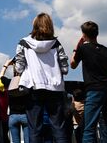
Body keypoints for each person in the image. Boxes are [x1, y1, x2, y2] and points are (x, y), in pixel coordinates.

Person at [13, 12, 69, 143]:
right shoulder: (56, 44)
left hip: (34, 87)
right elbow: (65, 69)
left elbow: (19, 68)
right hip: (55, 88)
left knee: (34, 128)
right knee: (58, 127)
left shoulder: (24, 43)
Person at [70, 21, 107, 143]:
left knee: (89, 128)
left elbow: (72, 64)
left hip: (93, 89)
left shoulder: (83, 49)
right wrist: (105, 74)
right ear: (97, 34)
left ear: (84, 34)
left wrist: (76, 48)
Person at [1, 60, 30, 143]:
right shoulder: (27, 83)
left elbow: (1, 77)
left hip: (13, 116)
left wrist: (6, 65)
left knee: (15, 141)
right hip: (25, 115)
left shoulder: (9, 83)